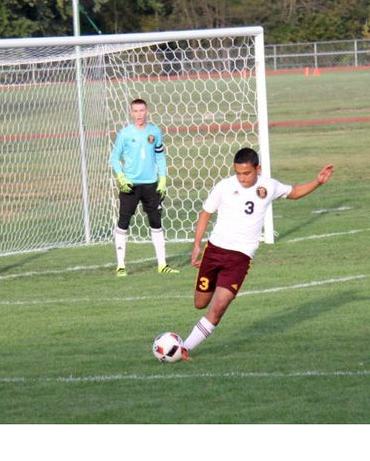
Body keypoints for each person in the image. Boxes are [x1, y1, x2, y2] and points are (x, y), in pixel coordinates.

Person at [182, 147, 334, 358]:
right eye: (238, 173)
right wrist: (197, 244)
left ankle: (184, 348)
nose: (242, 178)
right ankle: (218, 282)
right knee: (200, 303)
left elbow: (295, 192)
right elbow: (206, 213)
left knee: (219, 307)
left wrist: (317, 181)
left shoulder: (269, 186)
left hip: (240, 257)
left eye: (247, 173)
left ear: (258, 169)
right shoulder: (224, 187)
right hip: (215, 251)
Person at [110, 97, 179, 277]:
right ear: (131, 113)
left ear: (146, 111)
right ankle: (121, 265)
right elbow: (114, 158)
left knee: (156, 223)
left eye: (142, 111)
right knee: (123, 222)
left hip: (151, 185)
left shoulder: (155, 132)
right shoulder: (125, 134)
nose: (139, 114)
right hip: (131, 186)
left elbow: (160, 156)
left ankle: (162, 264)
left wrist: (162, 179)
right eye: (136, 111)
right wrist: (121, 177)